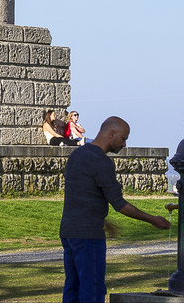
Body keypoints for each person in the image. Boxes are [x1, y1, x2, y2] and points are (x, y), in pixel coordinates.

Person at [60, 115, 170, 303]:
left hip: (69, 231)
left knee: (73, 287)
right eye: (123, 138)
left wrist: (103, 220)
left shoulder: (77, 155)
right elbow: (119, 204)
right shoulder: (101, 161)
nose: (124, 144)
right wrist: (153, 219)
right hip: (88, 235)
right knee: (92, 290)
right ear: (111, 134)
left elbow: (81, 197)